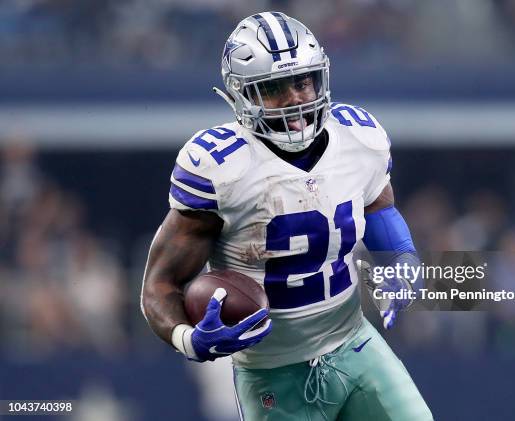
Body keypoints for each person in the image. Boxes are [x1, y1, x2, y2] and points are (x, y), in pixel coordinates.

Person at [141, 11, 433, 421]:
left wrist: (402, 257)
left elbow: (379, 207)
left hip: (356, 345)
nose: (296, 97)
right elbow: (160, 284)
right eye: (276, 87)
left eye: (302, 81)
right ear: (243, 95)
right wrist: (188, 338)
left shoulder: (357, 138)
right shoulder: (221, 167)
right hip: (272, 375)